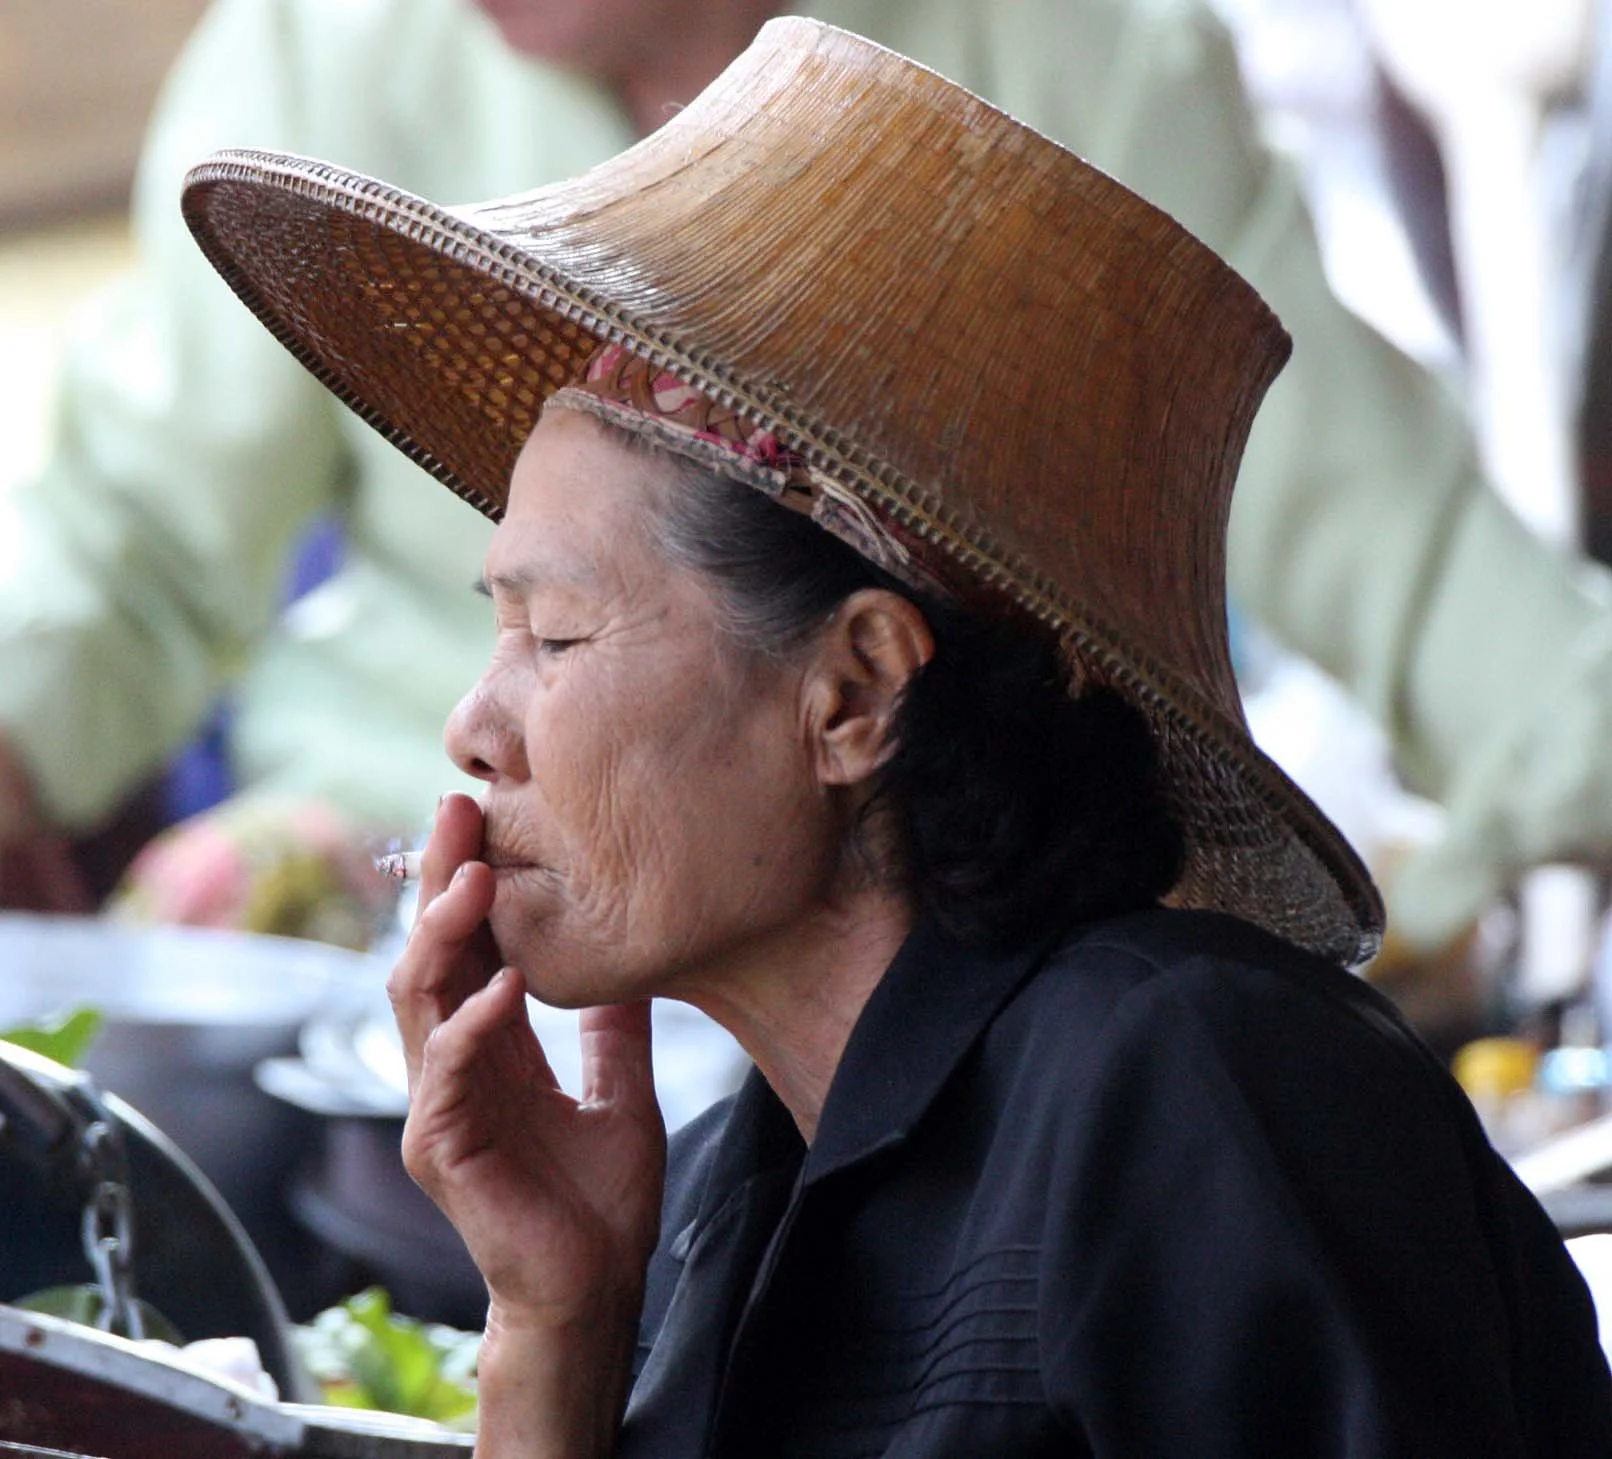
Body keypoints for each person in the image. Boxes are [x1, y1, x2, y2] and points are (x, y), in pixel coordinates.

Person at [183, 19, 1612, 1453]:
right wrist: (556, 1321)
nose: (472, 729)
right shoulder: (736, 1187)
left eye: (553, 637)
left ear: (857, 694)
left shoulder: (1188, 1090)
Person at [9, 0, 1612, 966]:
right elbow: (128, 541)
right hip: (391, 871)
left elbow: (1374, 522)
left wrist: (1574, 757)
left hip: (915, 927)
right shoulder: (323, 47)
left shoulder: (1071, 53)